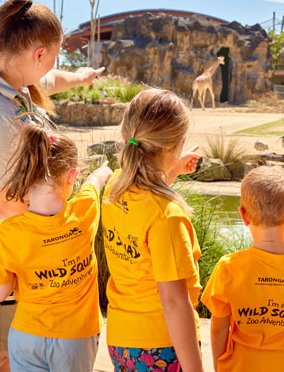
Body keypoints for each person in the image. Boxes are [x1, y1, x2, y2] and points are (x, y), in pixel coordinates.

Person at [0, 0, 104, 372]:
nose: (55, 64)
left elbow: (51, 79)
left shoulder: (7, 76)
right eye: (56, 54)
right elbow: (6, 205)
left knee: (8, 354)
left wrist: (82, 77)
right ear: (38, 52)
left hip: (6, 232)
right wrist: (63, 233)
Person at [0, 125, 112, 371]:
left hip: (26, 335)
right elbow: (95, 182)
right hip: (76, 337)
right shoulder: (85, 210)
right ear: (72, 175)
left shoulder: (4, 233)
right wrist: (103, 172)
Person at [101, 88, 203, 372]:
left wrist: (173, 170)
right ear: (177, 144)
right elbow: (174, 302)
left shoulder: (116, 186)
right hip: (161, 345)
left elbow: (145, 186)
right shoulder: (167, 216)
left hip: (122, 339)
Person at [201, 166, 284, 372]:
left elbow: (219, 329)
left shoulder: (229, 267)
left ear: (243, 216)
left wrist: (218, 366)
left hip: (242, 366)